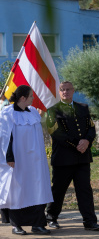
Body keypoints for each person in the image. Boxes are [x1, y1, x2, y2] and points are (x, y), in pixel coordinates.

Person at [46, 81, 99, 231]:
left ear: (73, 90)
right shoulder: (52, 110)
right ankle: (51, 217)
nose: (65, 92)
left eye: (68, 89)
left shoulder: (83, 107)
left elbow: (91, 128)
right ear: (59, 92)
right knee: (58, 190)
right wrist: (78, 144)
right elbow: (56, 134)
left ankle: (90, 221)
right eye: (62, 90)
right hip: (63, 158)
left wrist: (87, 141)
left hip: (82, 158)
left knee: (85, 190)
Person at [0, 85, 52, 235]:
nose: (33, 98)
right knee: (17, 190)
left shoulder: (34, 112)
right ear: (23, 98)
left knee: (38, 189)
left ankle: (38, 224)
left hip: (36, 161)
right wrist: (9, 157)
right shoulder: (8, 113)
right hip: (18, 159)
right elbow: (4, 137)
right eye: (31, 96)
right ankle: (16, 225)